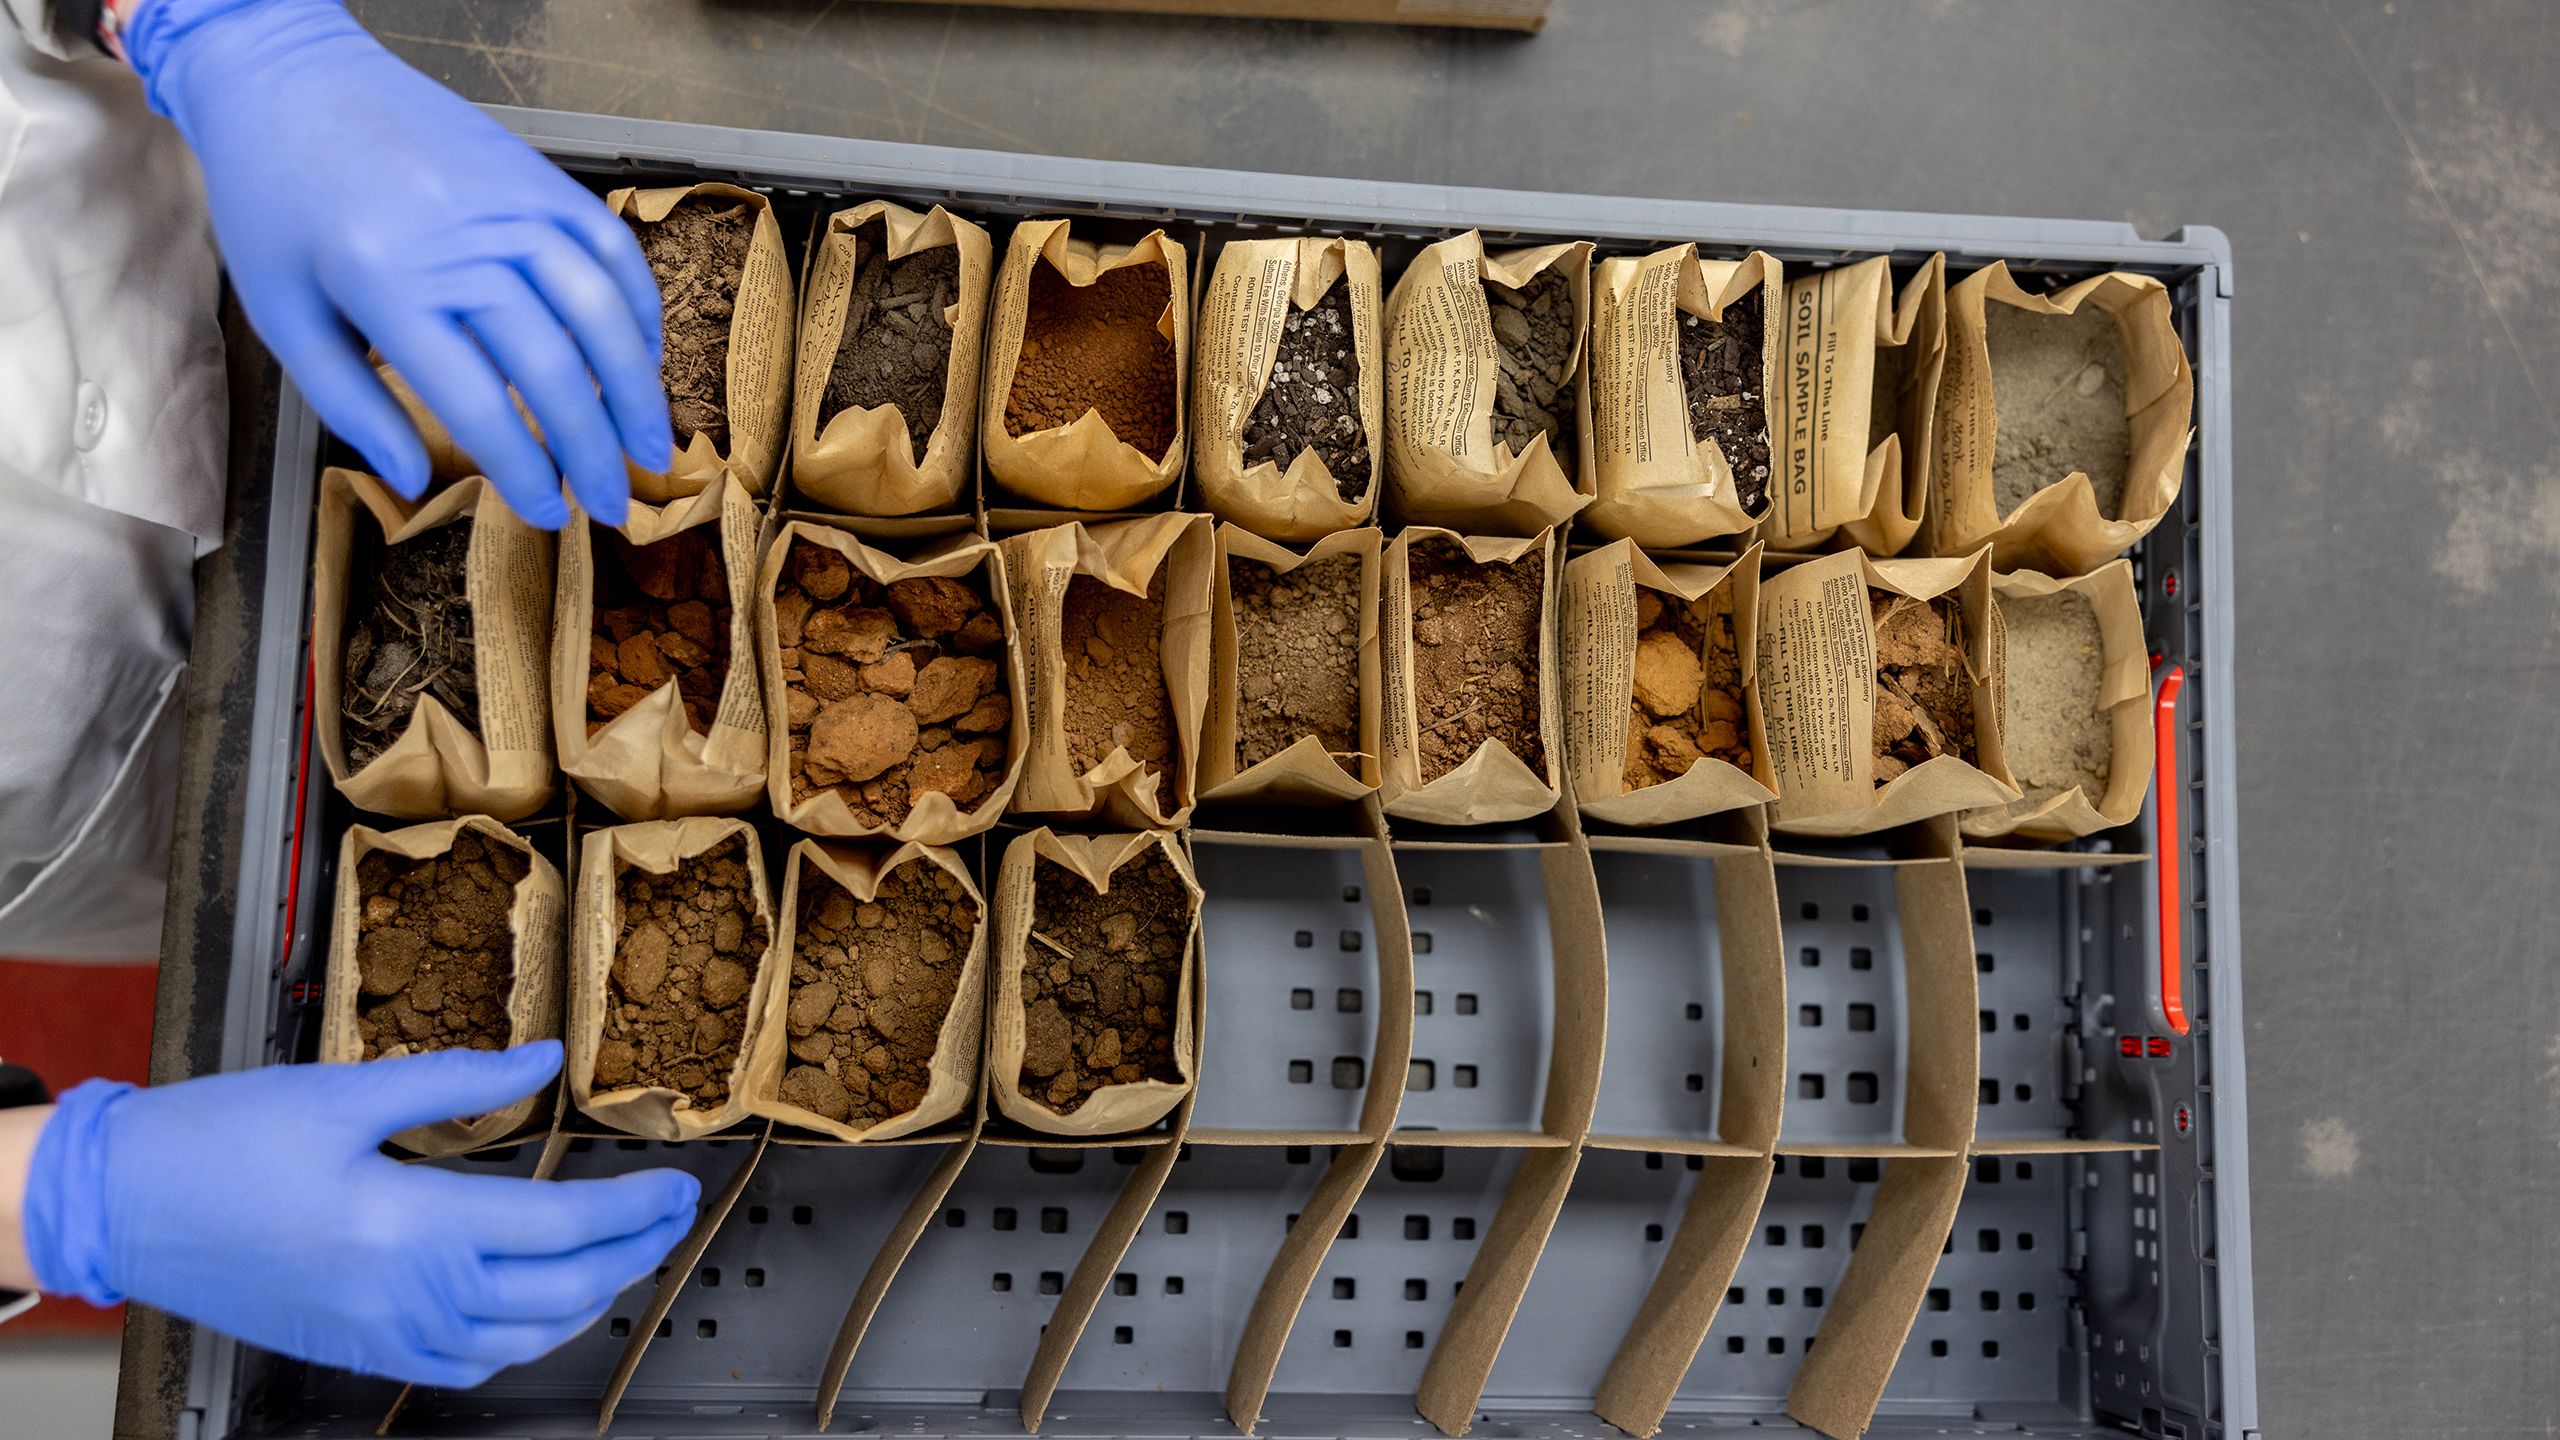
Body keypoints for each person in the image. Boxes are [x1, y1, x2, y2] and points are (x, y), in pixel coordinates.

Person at [0, 0, 702, 1387]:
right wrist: (54, 1196)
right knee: (221, 905)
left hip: (159, 198)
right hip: (49, 812)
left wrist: (216, 26)